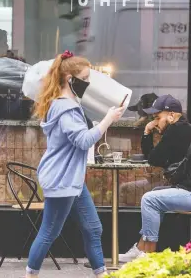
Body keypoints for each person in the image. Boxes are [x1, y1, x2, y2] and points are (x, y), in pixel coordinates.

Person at [25, 50, 125, 278]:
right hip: (63, 179)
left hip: (70, 178)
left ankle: (101, 274)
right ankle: (30, 275)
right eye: (85, 78)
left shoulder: (64, 104)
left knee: (93, 228)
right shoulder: (66, 108)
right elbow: (83, 141)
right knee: (49, 231)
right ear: (70, 79)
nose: (88, 83)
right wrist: (107, 120)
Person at [119, 94, 191, 263]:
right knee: (155, 194)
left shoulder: (177, 130)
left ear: (172, 115)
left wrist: (147, 132)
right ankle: (141, 248)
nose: (155, 122)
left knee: (149, 199)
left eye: (157, 117)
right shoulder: (181, 130)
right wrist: (148, 133)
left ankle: (148, 257)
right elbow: (156, 159)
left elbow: (153, 159)